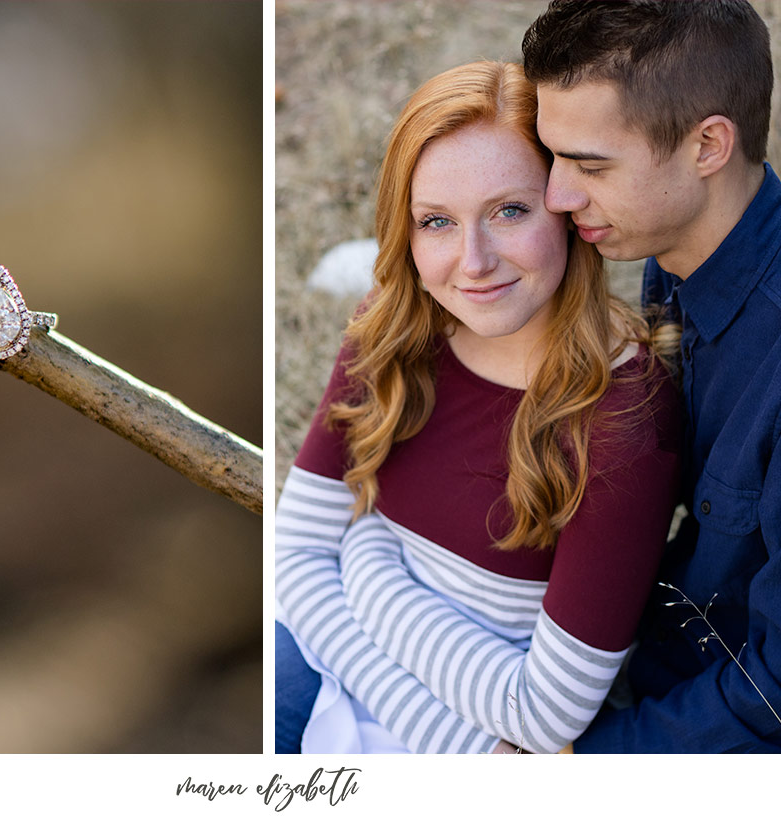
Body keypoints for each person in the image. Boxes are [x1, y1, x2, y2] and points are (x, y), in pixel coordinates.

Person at [275, 59, 682, 754]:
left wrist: (366, 561)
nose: (473, 262)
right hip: (355, 672)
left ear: (567, 208)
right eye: (436, 222)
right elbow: (294, 557)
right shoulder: (392, 327)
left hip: (479, 739)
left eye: (509, 211)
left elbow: (542, 716)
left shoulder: (624, 416)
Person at [522, 0, 781, 753]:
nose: (558, 197)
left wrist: (591, 767)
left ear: (707, 144)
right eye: (554, 157)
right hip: (641, 648)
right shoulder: (673, 256)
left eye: (591, 165)